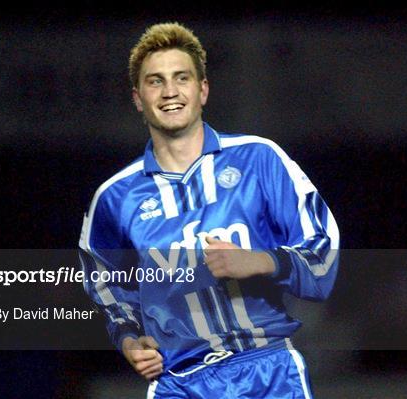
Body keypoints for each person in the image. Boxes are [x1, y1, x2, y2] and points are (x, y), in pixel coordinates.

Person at [79, 22, 339, 399]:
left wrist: (261, 261)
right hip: (177, 385)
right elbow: (105, 287)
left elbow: (323, 256)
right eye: (155, 81)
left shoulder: (259, 159)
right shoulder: (115, 198)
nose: (170, 91)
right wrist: (129, 340)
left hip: (267, 374)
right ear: (137, 98)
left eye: (181, 78)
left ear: (202, 90)